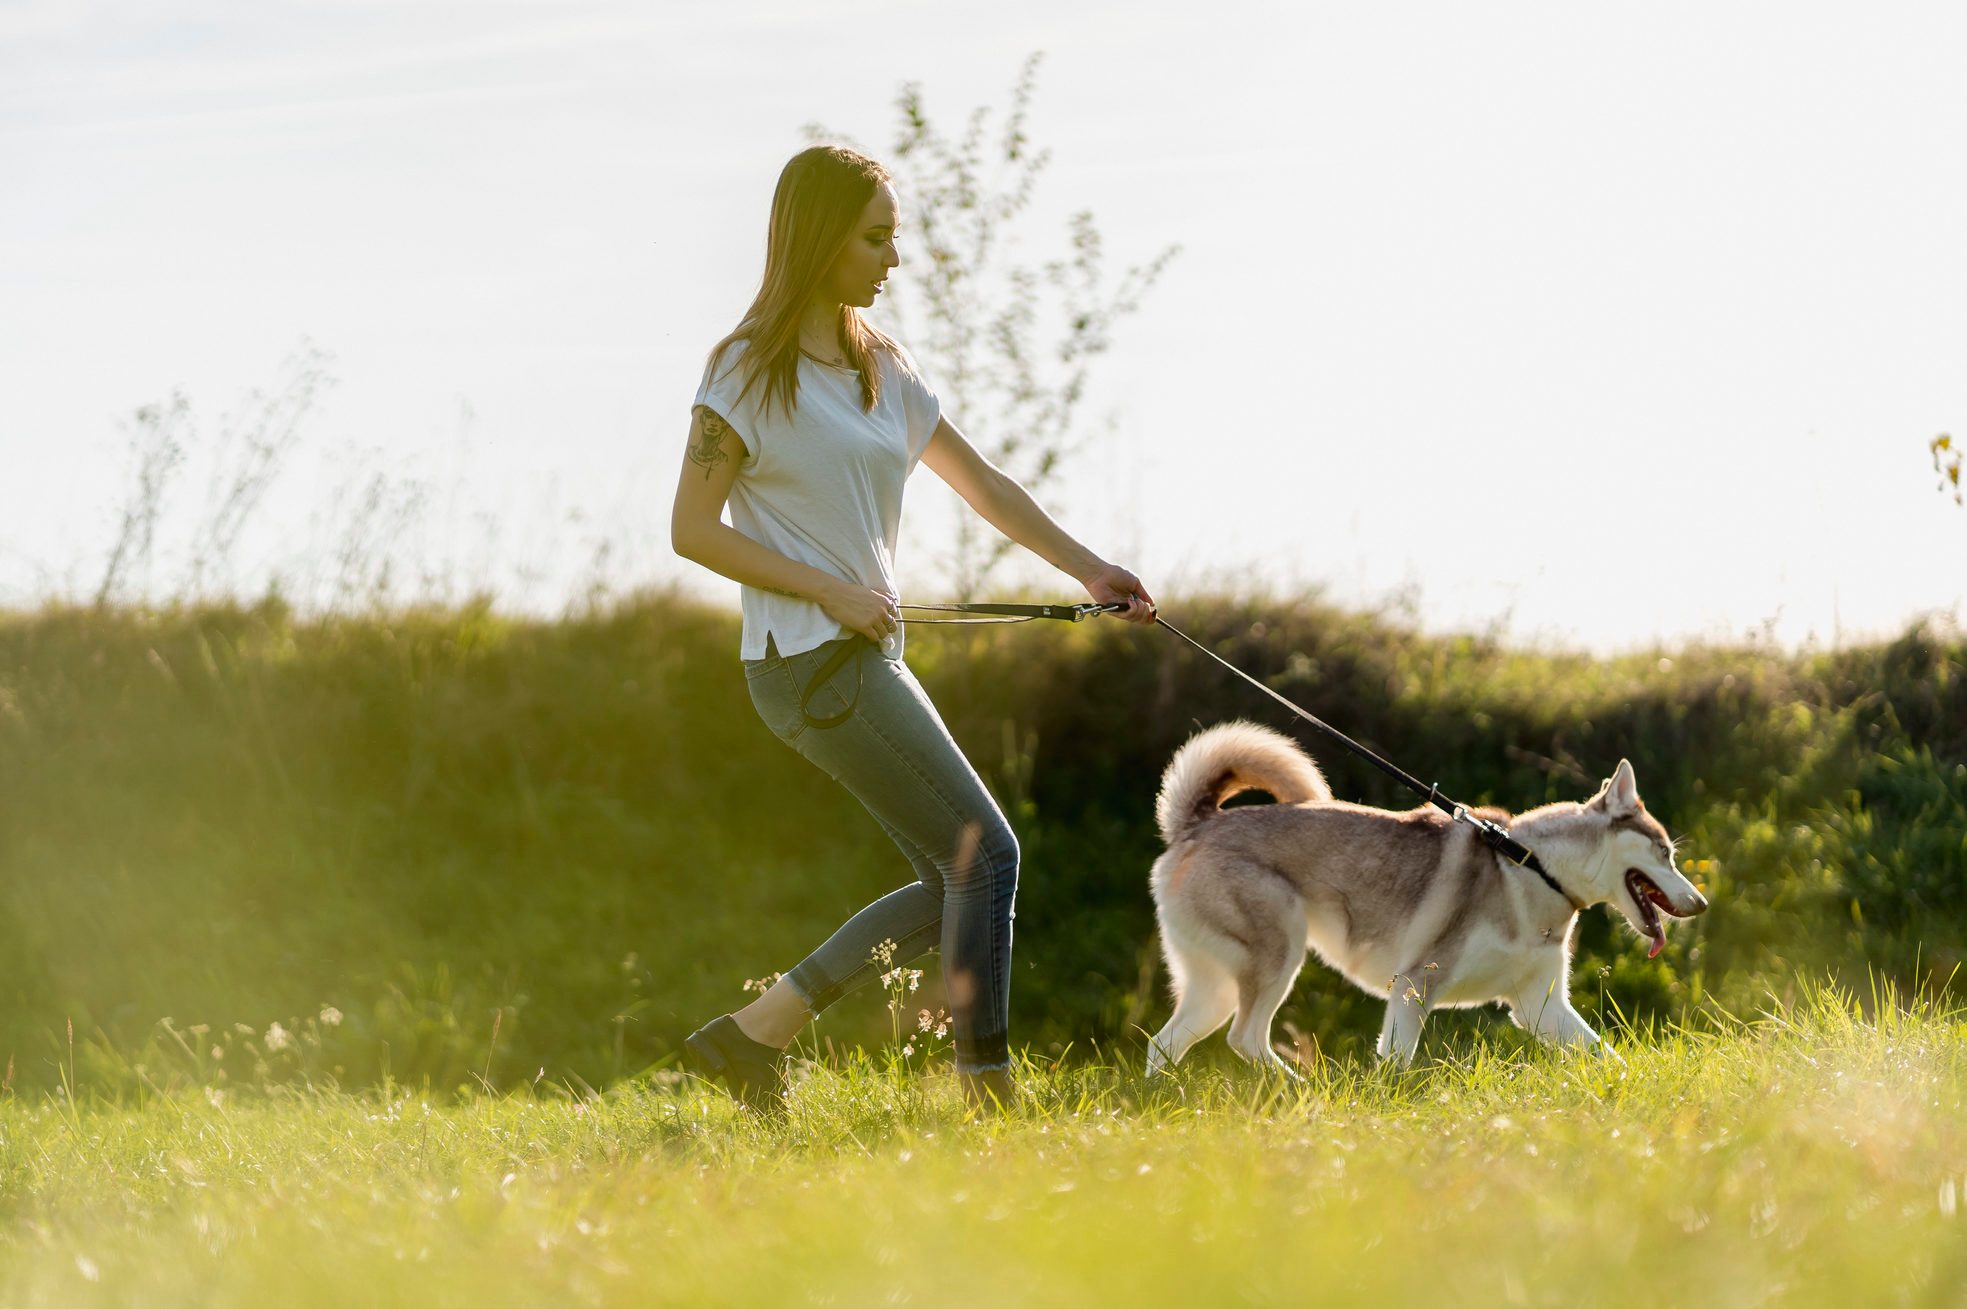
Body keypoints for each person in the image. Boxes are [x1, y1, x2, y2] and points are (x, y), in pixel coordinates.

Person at [669, 144, 1156, 1113]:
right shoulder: (742, 371)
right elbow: (690, 531)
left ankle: (750, 1038)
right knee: (989, 853)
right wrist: (831, 590)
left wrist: (1088, 570)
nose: (892, 259)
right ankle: (989, 1092)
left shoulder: (884, 369)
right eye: (874, 238)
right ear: (818, 240)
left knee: (950, 880)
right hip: (807, 662)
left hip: (860, 655)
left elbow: (985, 488)